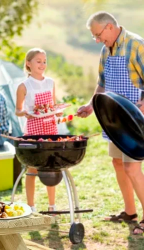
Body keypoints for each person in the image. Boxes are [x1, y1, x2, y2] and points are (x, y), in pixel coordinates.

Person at [77, 11, 144, 235]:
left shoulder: (136, 45)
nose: (97, 40)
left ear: (108, 27)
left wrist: (140, 106)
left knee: (132, 168)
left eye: (98, 35)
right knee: (118, 163)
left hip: (136, 121)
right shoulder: (106, 50)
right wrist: (91, 105)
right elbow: (102, 85)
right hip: (114, 120)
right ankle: (130, 211)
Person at [15, 48, 63, 212]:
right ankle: (31, 206)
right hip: (33, 128)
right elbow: (18, 110)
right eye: (38, 61)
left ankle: (52, 205)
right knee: (32, 168)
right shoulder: (23, 86)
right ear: (28, 63)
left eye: (44, 61)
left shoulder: (50, 83)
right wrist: (26, 113)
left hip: (50, 127)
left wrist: (58, 111)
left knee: (51, 166)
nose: (42, 64)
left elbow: (53, 105)